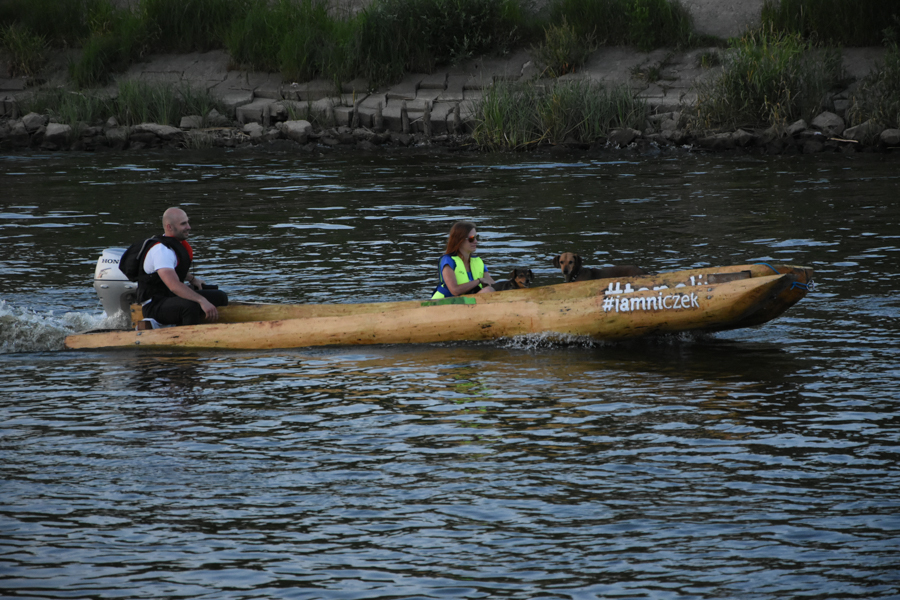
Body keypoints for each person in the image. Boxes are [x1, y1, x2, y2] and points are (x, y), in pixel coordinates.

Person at [136, 207, 228, 326]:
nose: (189, 227)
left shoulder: (175, 247)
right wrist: (202, 300)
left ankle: (210, 324)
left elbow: (175, 270)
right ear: (169, 227)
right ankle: (189, 335)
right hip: (155, 305)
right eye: (183, 224)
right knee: (190, 306)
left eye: (188, 222)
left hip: (171, 297)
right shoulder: (162, 251)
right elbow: (174, 285)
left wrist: (193, 279)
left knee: (220, 297)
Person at [431, 221, 497, 299]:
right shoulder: (448, 260)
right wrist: (479, 281)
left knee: (492, 289)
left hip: (466, 303)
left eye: (476, 237)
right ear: (460, 240)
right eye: (471, 238)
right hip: (442, 304)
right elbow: (454, 290)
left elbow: (493, 285)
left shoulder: (478, 261)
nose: (476, 241)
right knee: (488, 290)